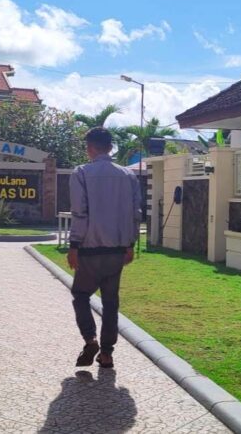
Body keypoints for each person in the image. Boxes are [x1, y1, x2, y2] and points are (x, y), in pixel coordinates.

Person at [68, 127, 141, 369]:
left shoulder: (81, 173)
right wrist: (130, 244)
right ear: (110, 148)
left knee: (80, 296)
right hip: (117, 250)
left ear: (90, 147)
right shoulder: (128, 176)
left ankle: (90, 339)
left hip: (90, 249)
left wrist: (74, 245)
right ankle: (107, 353)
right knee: (111, 302)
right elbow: (135, 213)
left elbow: (80, 212)